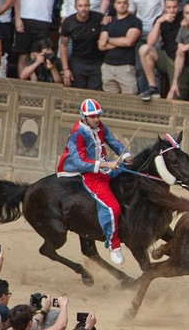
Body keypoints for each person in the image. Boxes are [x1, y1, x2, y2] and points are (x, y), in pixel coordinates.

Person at [56, 98, 132, 265]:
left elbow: (113, 142)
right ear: (84, 117)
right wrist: (105, 164)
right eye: (93, 117)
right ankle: (114, 245)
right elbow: (79, 161)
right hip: (90, 174)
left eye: (98, 115)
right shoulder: (77, 133)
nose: (96, 119)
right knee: (112, 207)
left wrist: (126, 156)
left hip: (105, 167)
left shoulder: (100, 126)